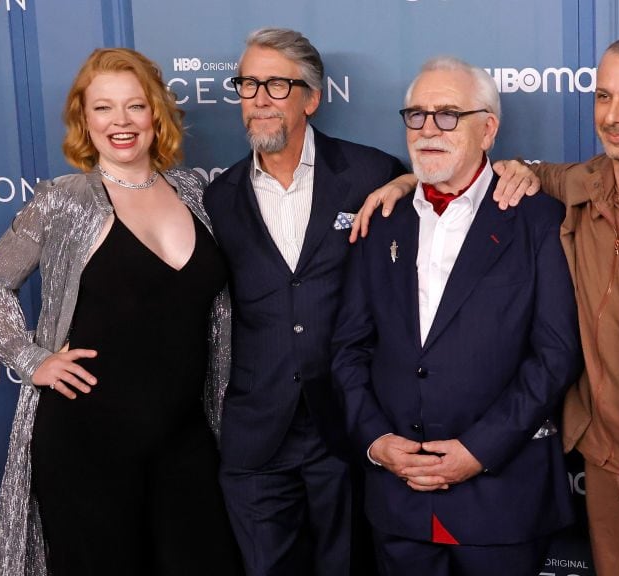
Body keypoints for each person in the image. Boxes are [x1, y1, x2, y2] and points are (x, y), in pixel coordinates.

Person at [353, 34, 619, 576]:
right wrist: (406, 179)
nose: (613, 115)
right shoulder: (569, 189)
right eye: (603, 96)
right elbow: (460, 171)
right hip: (602, 472)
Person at [0, 48, 241, 576]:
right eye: (103, 108)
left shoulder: (196, 193)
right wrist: (31, 359)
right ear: (84, 119)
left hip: (184, 438)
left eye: (134, 106)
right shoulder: (63, 200)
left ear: (155, 114)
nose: (120, 122)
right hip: (86, 440)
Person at [331, 56, 582, 576]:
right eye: (416, 115)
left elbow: (555, 355)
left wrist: (480, 449)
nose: (427, 129)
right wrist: (377, 441)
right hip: (399, 503)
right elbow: (350, 348)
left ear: (487, 129)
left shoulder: (538, 219)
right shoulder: (382, 219)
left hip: (501, 502)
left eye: (448, 115)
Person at [203, 27, 405, 576]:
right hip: (254, 435)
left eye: (276, 84)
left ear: (312, 99)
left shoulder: (370, 173)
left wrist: (405, 186)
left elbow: (447, 184)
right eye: (248, 84)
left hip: (342, 425)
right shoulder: (219, 197)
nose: (259, 99)